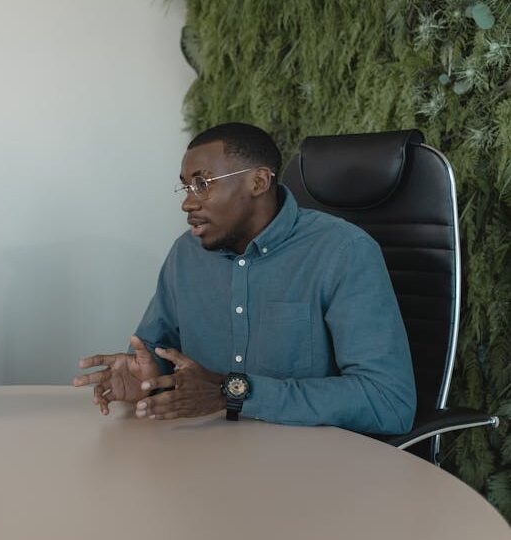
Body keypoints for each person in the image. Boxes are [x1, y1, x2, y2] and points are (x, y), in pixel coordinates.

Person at [73, 122, 416, 434]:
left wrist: (232, 392)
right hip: (202, 457)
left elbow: (388, 402)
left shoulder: (344, 252)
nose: (187, 204)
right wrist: (148, 382)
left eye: (202, 184)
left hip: (309, 469)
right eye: (185, 188)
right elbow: (156, 355)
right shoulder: (186, 254)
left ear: (258, 182)